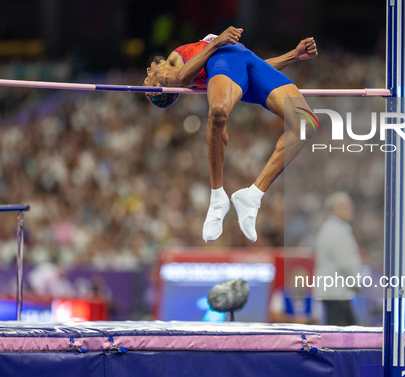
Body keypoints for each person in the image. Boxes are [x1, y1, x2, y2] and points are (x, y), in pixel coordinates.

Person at [144, 27, 317, 244]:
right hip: (224, 58)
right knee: (218, 112)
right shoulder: (165, 71)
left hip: (245, 61)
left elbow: (256, 69)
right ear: (156, 89)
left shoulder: (201, 69)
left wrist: (294, 55)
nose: (148, 72)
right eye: (146, 82)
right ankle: (218, 198)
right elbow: (180, 78)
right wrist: (216, 43)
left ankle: (252, 196)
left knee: (306, 124)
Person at [313, 192, 362, 326]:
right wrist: (355, 281)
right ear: (336, 209)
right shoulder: (335, 231)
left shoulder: (334, 229)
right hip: (336, 291)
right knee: (342, 333)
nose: (351, 209)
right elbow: (345, 263)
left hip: (336, 290)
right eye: (347, 206)